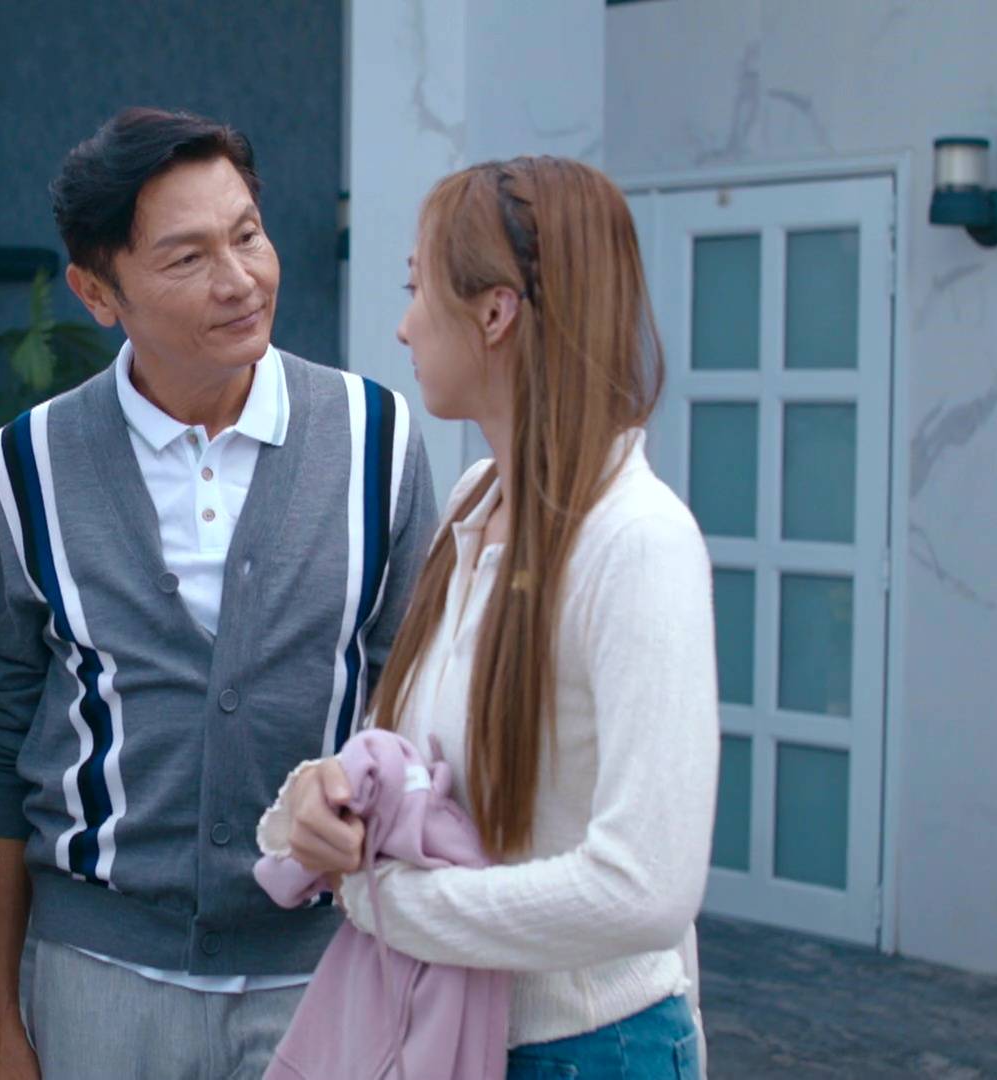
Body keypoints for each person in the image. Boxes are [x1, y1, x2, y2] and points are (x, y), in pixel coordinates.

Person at [0, 107, 437, 1080]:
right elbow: (0, 746)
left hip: (326, 969)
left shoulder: (376, 439)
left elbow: (416, 700)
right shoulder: (26, 467)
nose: (239, 281)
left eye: (248, 236)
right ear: (98, 292)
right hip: (98, 979)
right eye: (187, 258)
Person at [278, 155, 719, 1077]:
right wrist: (324, 799)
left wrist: (384, 902)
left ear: (494, 313)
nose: (402, 324)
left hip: (593, 1050)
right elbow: (418, 758)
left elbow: (647, 889)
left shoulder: (639, 542)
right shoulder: (474, 504)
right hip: (461, 1038)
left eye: (416, 289)